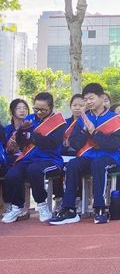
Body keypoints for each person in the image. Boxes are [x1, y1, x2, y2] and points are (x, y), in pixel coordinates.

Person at [49, 83, 120, 225]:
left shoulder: (114, 119)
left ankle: (99, 208)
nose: (88, 102)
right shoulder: (82, 119)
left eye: (91, 98)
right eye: (86, 99)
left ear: (102, 98)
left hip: (110, 158)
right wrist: (85, 131)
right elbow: (75, 144)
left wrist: (94, 132)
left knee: (98, 164)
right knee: (72, 164)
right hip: (88, 156)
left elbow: (113, 145)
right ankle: (69, 209)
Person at [2, 92, 66, 223]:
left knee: (34, 170)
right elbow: (21, 143)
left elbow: (51, 144)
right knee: (11, 174)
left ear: (51, 107)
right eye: (36, 109)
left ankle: (42, 205)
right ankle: (18, 206)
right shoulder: (29, 119)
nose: (39, 112)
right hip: (28, 158)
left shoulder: (59, 122)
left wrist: (31, 136)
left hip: (50, 160)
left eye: (43, 110)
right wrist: (21, 131)